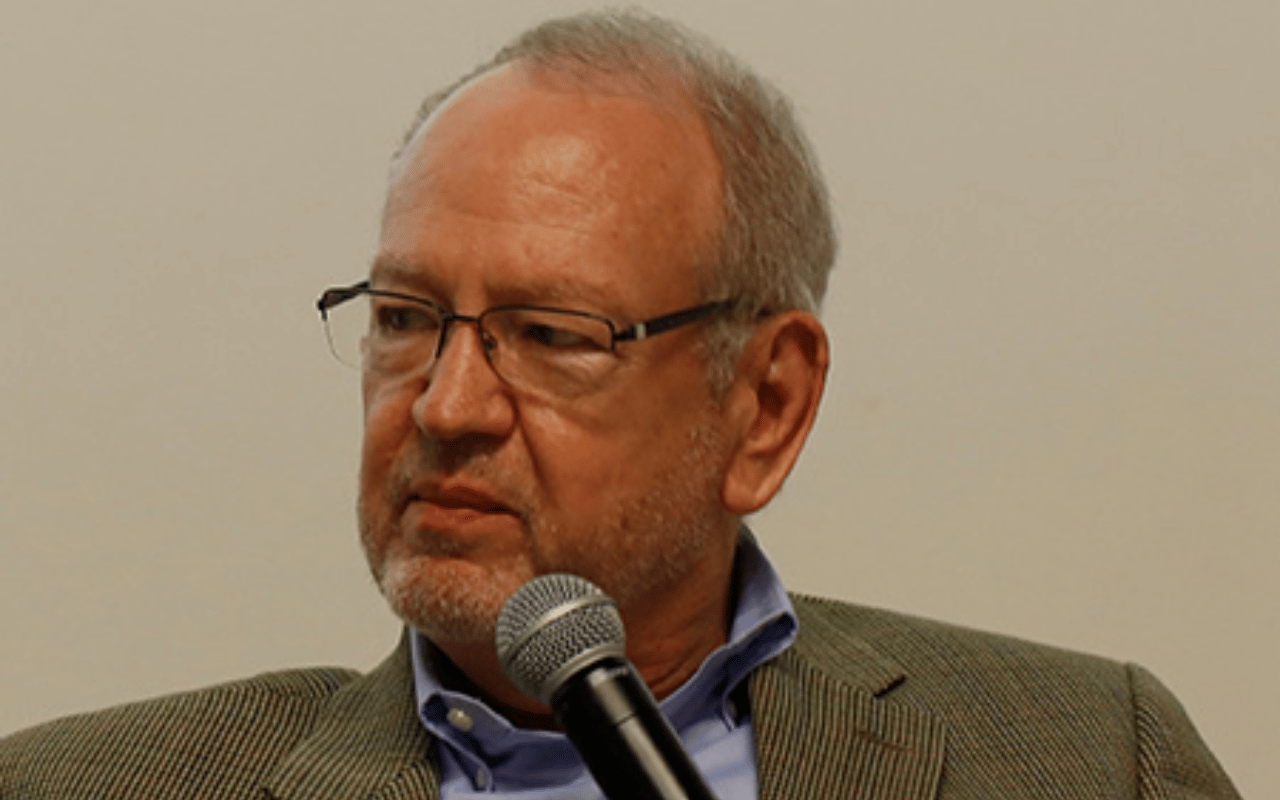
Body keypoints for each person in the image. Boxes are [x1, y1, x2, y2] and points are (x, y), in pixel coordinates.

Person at [0, 9, 1240, 799]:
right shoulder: (81, 782)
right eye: (403, 318)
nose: (446, 402)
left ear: (765, 404)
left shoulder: (1088, 753)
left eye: (548, 335)